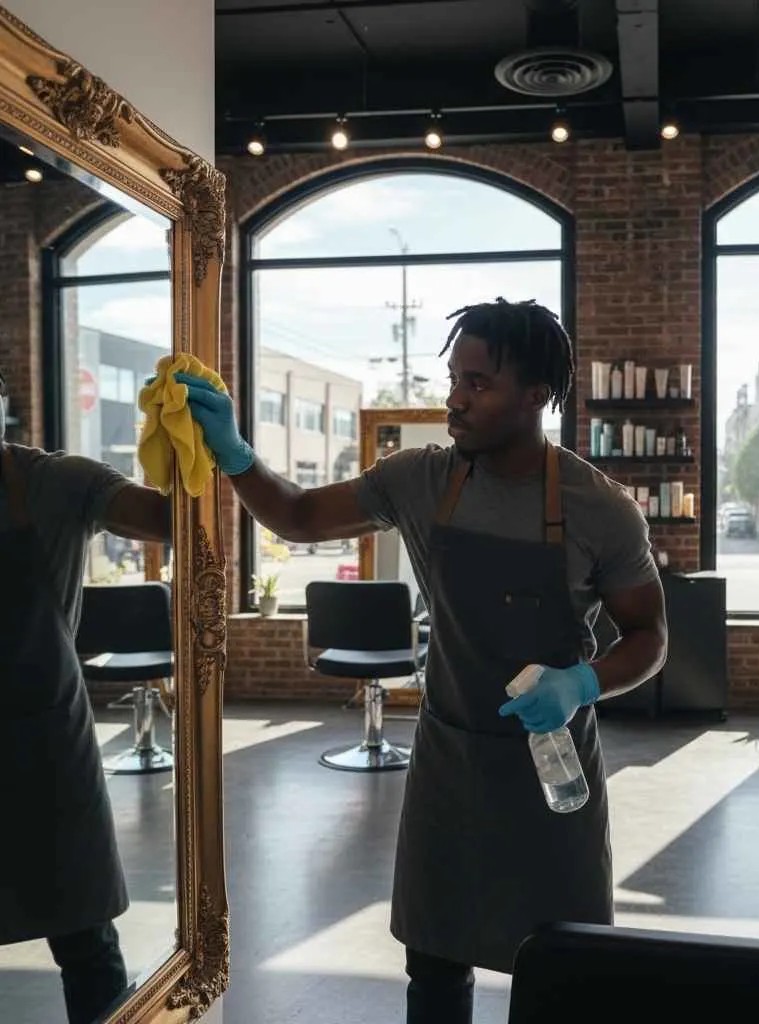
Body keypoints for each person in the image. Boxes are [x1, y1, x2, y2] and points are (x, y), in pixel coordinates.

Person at [176, 298, 668, 1023]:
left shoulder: (601, 509)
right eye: (454, 379)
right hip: (448, 762)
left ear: (536, 397)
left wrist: (583, 682)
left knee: (564, 963)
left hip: (551, 769)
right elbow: (301, 517)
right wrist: (236, 456)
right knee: (434, 964)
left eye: (478, 384)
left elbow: (651, 635)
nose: (455, 400)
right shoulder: (421, 480)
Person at [0, 366, 171, 1024]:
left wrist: (186, 445)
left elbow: (174, 522)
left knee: (86, 940)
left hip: (47, 752)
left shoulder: (54, 482)